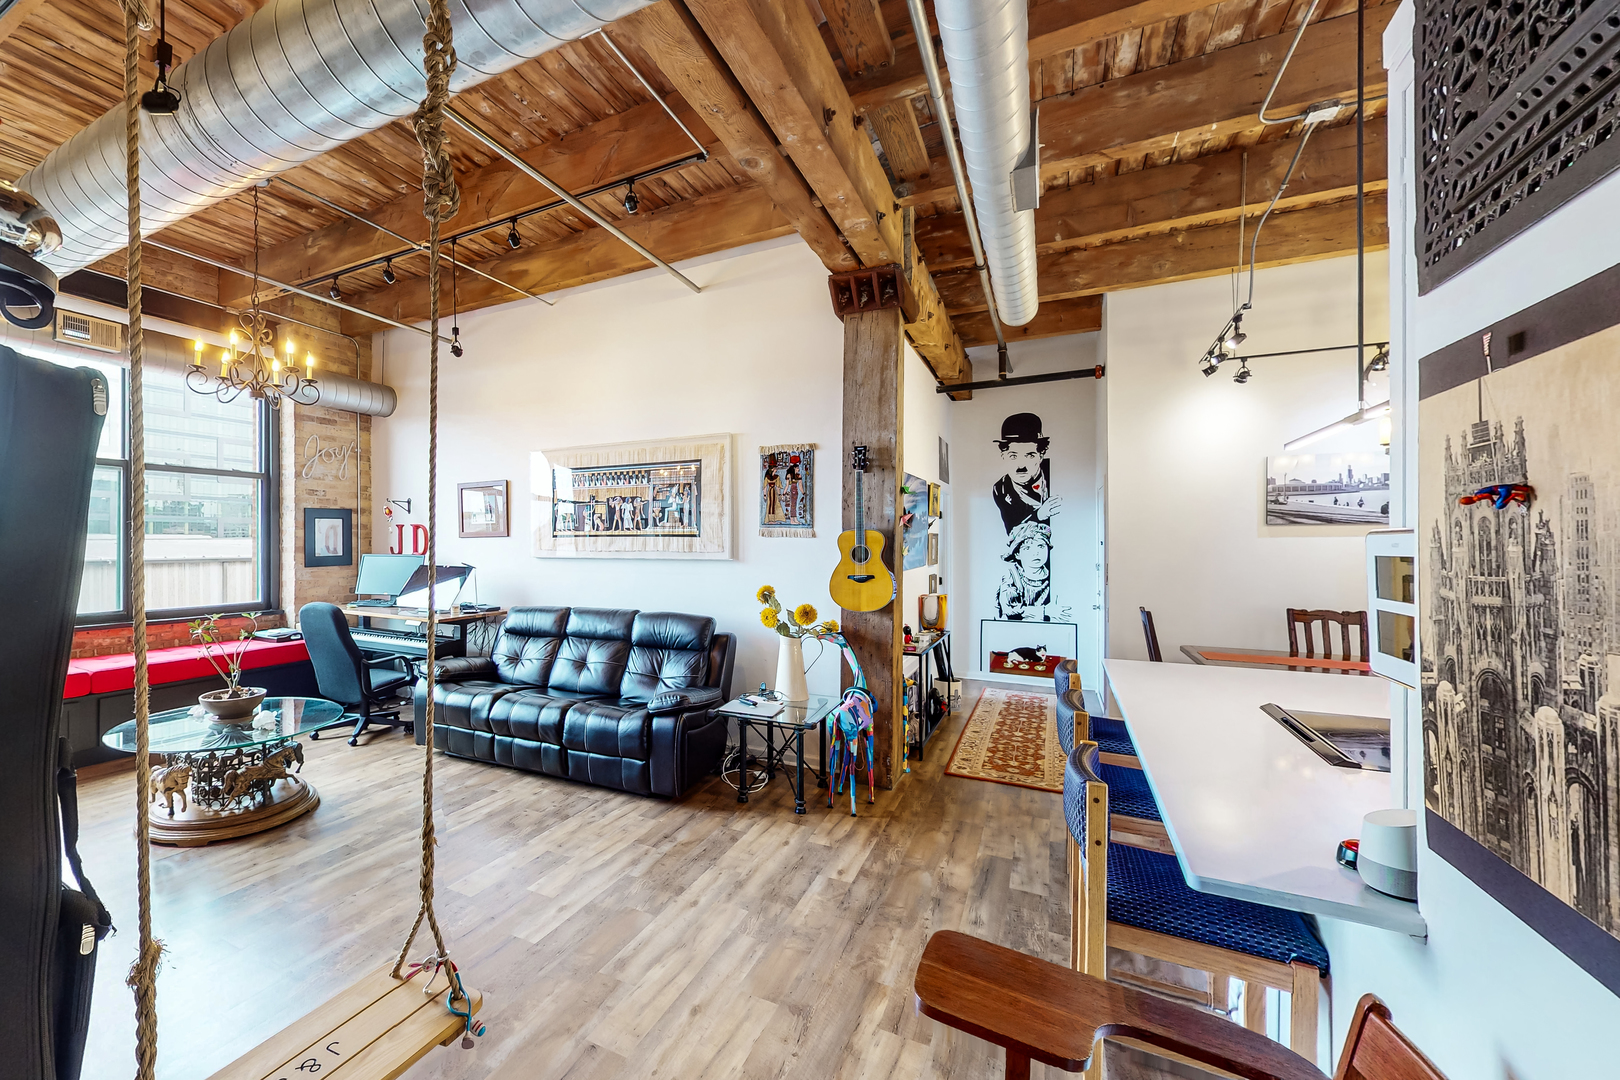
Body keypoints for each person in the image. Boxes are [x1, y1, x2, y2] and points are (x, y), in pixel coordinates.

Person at [992, 413, 1060, 533]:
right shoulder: (1001, 488)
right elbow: (1014, 533)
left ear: (1041, 455)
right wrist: (1039, 515)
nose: (1021, 466)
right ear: (1003, 456)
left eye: (1029, 456)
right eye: (1013, 456)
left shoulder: (1057, 477)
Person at [995, 521, 1069, 622]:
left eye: (1041, 546)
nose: (1036, 553)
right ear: (1017, 554)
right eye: (1027, 548)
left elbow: (1063, 612)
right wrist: (1045, 612)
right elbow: (1010, 611)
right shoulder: (1011, 575)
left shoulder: (1054, 577)